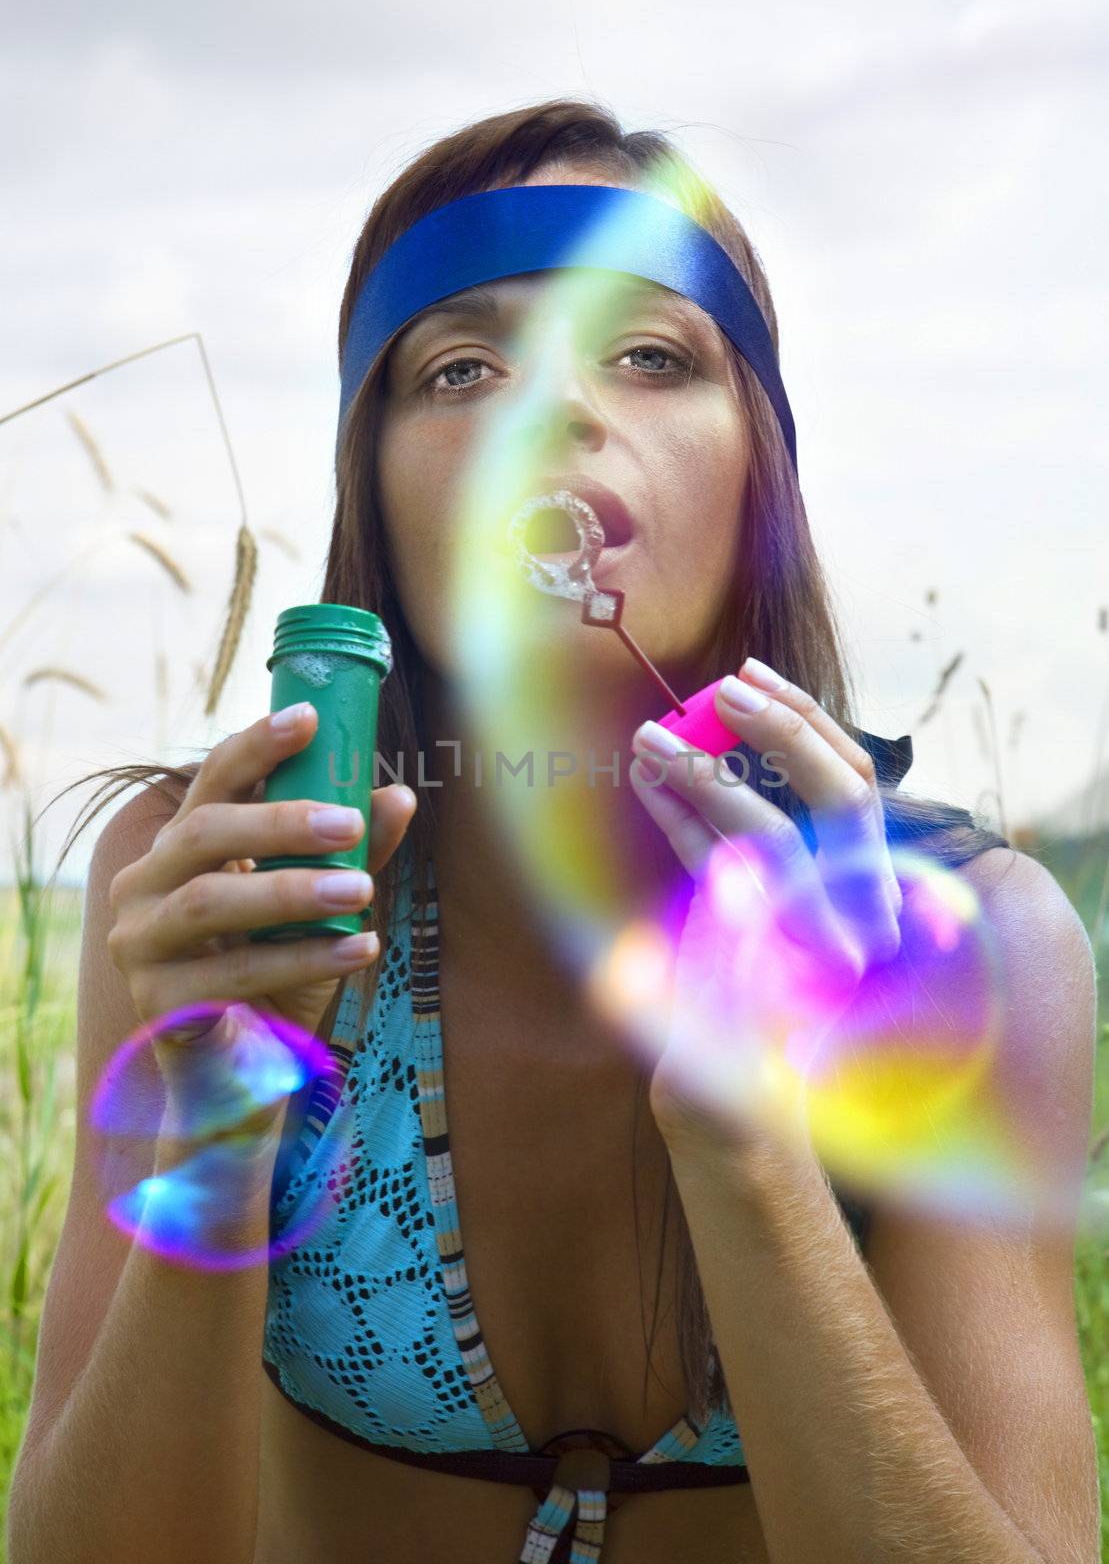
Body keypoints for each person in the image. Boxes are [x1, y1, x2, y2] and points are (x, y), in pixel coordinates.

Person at [8, 99, 1099, 1564]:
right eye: (461, 367)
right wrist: (224, 1116)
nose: (552, 409)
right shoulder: (222, 882)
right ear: (377, 494)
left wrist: (746, 1149)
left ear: (758, 469)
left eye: (651, 354)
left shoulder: (967, 944)